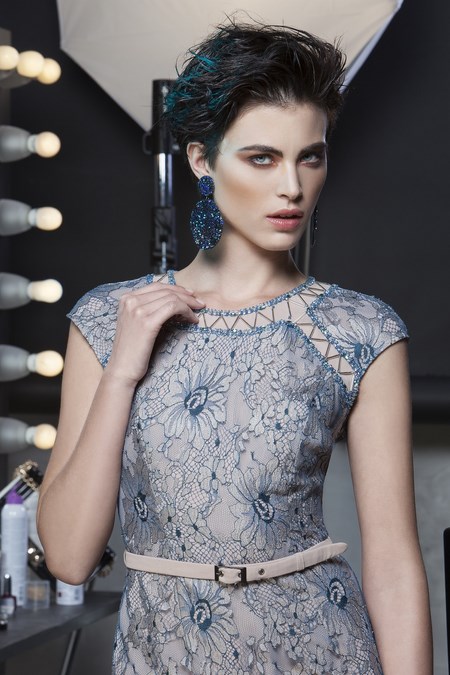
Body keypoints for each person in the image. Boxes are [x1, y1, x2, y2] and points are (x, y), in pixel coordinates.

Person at [37, 20, 432, 674]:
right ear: (202, 160)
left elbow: (392, 562)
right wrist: (123, 372)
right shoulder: (108, 320)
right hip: (161, 655)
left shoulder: (361, 330)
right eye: (262, 158)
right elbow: (69, 557)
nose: (292, 187)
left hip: (320, 650)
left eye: (311, 156)